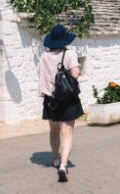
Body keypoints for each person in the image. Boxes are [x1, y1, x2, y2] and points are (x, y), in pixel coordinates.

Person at [39, 24, 83, 183]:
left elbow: (42, 75)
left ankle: (55, 158)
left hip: (50, 99)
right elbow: (75, 74)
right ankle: (63, 165)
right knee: (67, 132)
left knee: (53, 130)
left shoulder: (44, 56)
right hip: (67, 99)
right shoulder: (70, 53)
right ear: (65, 39)